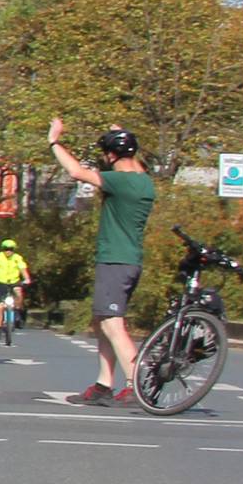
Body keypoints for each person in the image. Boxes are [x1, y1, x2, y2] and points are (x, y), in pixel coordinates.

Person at [50, 120, 155, 406]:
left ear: (110, 156)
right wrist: (120, 133)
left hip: (115, 260)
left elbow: (75, 171)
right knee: (102, 321)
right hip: (130, 260)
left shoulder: (119, 182)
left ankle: (136, 384)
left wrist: (55, 142)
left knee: (111, 323)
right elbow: (130, 163)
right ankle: (103, 384)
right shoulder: (144, 181)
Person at [0, 239, 30, 344]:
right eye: (6, 249)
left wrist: (27, 279)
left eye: (10, 249)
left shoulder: (17, 258)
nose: (8, 251)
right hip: (1, 282)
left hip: (14, 281)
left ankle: (17, 312)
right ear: (3, 249)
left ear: (13, 250)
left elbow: (23, 270)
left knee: (19, 293)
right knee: (0, 306)